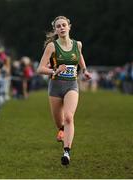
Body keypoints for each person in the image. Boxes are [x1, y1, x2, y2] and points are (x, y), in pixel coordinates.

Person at [37, 16, 92, 166]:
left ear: (69, 27)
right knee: (60, 122)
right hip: (55, 87)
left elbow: (80, 58)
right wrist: (55, 70)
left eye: (64, 25)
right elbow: (40, 69)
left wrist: (84, 71)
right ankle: (61, 129)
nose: (61, 28)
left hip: (71, 85)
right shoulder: (52, 47)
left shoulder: (77, 44)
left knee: (68, 117)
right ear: (55, 30)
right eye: (58, 26)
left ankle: (66, 152)